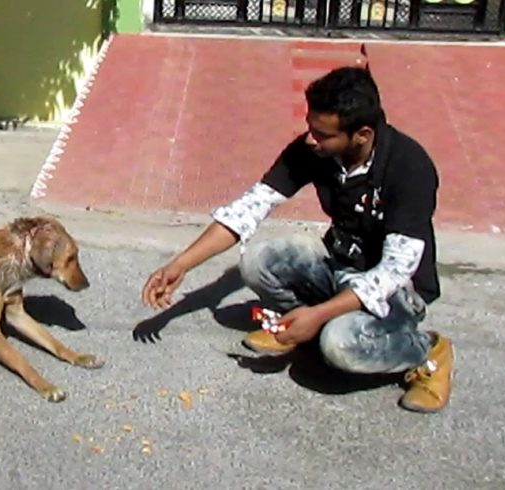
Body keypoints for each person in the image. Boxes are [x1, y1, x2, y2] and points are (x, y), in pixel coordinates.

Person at [140, 66, 453, 413]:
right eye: (310, 128)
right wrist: (179, 265)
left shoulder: (410, 168)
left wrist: (318, 316)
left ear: (362, 134)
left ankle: (427, 351)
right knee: (258, 259)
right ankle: (302, 327)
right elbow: (248, 209)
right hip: (339, 264)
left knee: (341, 345)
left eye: (322, 135)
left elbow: (394, 272)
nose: (310, 140)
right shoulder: (315, 151)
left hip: (397, 290)